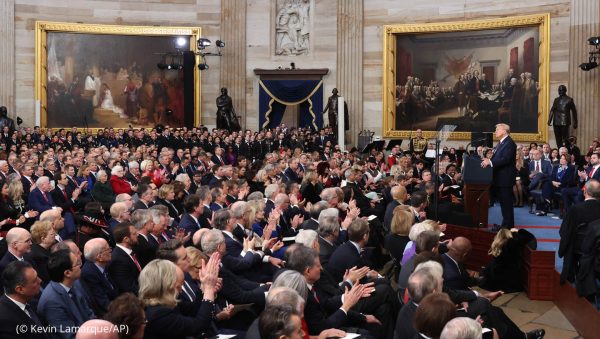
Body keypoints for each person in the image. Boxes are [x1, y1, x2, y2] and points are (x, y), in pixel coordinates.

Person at [140, 255, 220, 339]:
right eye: (178, 287)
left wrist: (204, 289)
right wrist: (209, 289)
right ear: (166, 287)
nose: (181, 291)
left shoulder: (162, 304)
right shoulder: (158, 314)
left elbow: (192, 310)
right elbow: (198, 326)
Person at [38, 249, 96, 338]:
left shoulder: (73, 283)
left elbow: (89, 314)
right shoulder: (52, 302)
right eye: (77, 264)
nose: (81, 265)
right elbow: (70, 335)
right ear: (68, 273)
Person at [481, 124, 517, 230]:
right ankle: (506, 225)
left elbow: (505, 159)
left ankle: (507, 227)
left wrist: (490, 162)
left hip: (505, 179)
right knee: (504, 204)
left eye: (497, 129)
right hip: (500, 178)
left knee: (506, 205)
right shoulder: (501, 143)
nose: (495, 131)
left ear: (505, 131)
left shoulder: (509, 143)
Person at [0, 261, 47, 339]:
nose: (40, 280)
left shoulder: (30, 301)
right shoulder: (5, 321)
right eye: (35, 280)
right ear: (20, 289)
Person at [481, 228, 535, 292]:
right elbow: (529, 236)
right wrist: (518, 230)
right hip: (506, 279)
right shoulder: (511, 243)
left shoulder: (496, 243)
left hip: (495, 275)